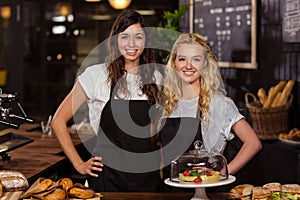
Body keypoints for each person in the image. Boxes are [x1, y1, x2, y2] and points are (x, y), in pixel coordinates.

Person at [51, 9, 162, 192]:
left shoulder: (157, 77)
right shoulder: (96, 75)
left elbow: (161, 131)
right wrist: (79, 165)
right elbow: (58, 121)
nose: (131, 44)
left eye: (138, 37)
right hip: (107, 178)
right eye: (125, 37)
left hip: (147, 179)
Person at [157, 33, 262, 190]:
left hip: (206, 191)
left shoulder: (219, 103)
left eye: (196, 59)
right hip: (170, 191)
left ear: (205, 64)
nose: (188, 65)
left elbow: (253, 143)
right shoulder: (168, 103)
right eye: (182, 59)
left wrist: (224, 173)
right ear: (174, 63)